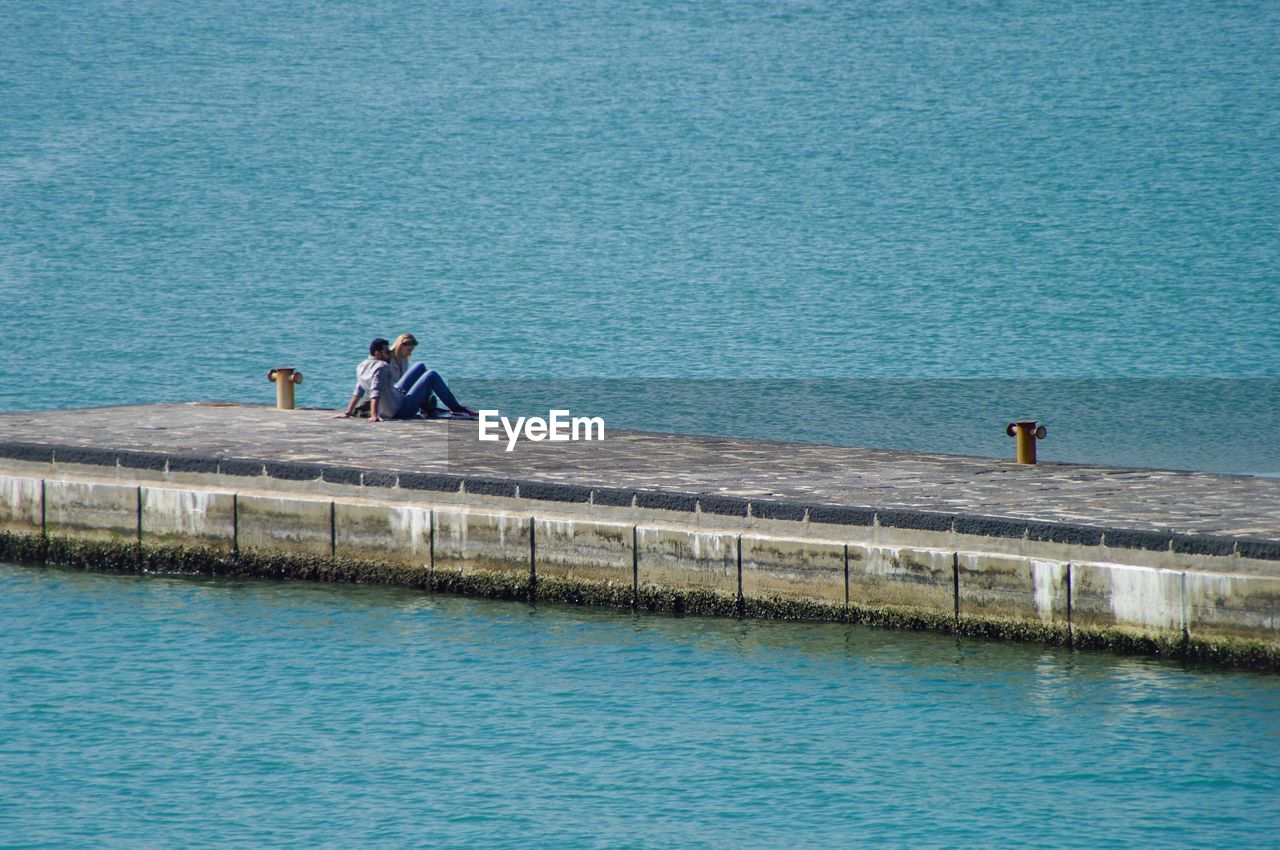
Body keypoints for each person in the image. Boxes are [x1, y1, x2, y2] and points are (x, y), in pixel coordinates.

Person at [340, 337, 475, 422]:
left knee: (420, 366)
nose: (389, 354)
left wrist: (348, 412)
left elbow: (358, 391)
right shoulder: (382, 367)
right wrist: (374, 415)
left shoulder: (361, 366)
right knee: (431, 375)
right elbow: (375, 391)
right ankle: (456, 408)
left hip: (396, 395)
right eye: (387, 352)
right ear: (377, 353)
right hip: (400, 410)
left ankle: (427, 409)